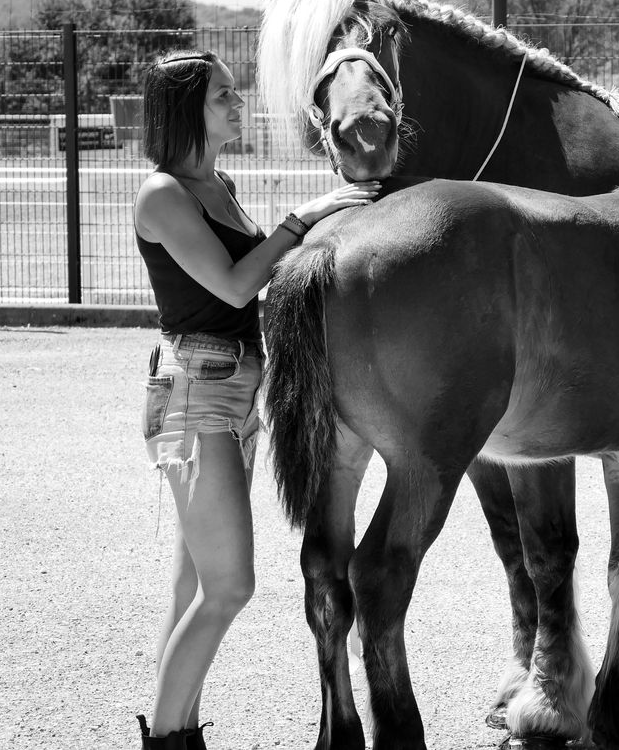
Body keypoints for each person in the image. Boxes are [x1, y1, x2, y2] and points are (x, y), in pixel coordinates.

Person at [133, 49, 379, 749]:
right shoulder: (162, 196)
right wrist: (303, 219)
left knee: (193, 590)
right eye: (222, 96)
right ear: (184, 108)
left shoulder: (218, 182)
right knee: (230, 587)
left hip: (238, 391)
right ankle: (171, 738)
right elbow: (236, 286)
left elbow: (258, 285)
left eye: (234, 94)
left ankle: (174, 728)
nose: (238, 105)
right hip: (195, 396)